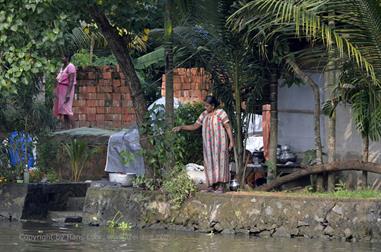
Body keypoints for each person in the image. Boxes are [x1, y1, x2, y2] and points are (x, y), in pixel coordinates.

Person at [173, 96, 234, 193]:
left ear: (213, 106)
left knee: (220, 163)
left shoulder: (221, 113)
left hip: (220, 143)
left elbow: (228, 127)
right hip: (208, 145)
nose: (205, 107)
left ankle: (221, 186)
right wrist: (181, 127)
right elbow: (195, 126)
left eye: (207, 105)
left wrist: (231, 141)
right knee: (209, 163)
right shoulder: (204, 114)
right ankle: (211, 185)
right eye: (204, 105)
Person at [53, 52, 77, 129]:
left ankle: (75, 131)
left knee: (68, 111)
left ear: (67, 58)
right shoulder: (62, 67)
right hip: (61, 90)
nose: (61, 58)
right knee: (64, 112)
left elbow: (71, 81)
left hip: (67, 90)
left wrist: (68, 94)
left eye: (63, 57)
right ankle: (68, 131)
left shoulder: (71, 67)